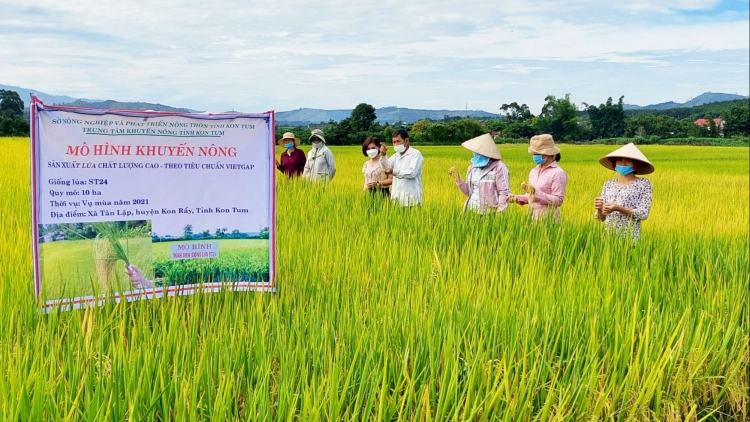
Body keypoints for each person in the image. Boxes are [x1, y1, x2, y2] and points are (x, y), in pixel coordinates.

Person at [594, 143, 654, 241]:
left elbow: (643, 214)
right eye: (620, 160)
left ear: (635, 164)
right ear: (615, 163)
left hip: (630, 238)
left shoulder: (644, 184)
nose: (623, 163)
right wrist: (600, 209)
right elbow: (601, 218)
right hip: (608, 238)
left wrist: (619, 208)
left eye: (628, 160)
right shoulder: (608, 184)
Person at [507, 134, 568, 220]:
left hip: (549, 220)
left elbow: (558, 200)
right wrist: (517, 198)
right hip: (531, 218)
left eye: (536, 153)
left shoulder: (558, 173)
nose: (534, 156)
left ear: (546, 153)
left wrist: (535, 192)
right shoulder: (533, 171)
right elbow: (530, 196)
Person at [448, 133, 511, 214]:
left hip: (490, 213)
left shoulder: (499, 168)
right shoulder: (472, 168)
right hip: (471, 210)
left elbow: (504, 192)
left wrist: (500, 212)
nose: (475, 154)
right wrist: (458, 179)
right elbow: (469, 191)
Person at [384, 129, 423, 207]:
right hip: (397, 200)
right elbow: (386, 166)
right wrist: (383, 155)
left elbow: (412, 173)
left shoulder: (415, 154)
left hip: (412, 201)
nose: (396, 144)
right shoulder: (395, 156)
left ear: (406, 140)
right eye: (394, 142)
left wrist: (393, 171)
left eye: (398, 141)